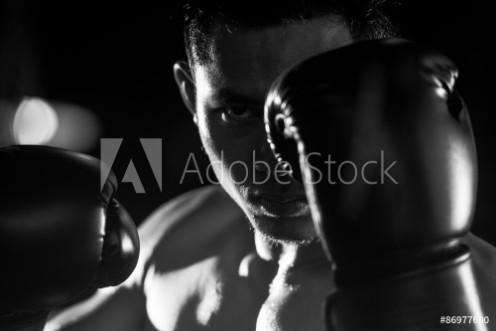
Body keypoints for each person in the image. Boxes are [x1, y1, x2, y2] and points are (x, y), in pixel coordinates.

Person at [44, 1, 496, 330]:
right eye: (238, 112)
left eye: (315, 110)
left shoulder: (474, 296)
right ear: (190, 98)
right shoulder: (178, 239)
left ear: (378, 97)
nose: (275, 161)